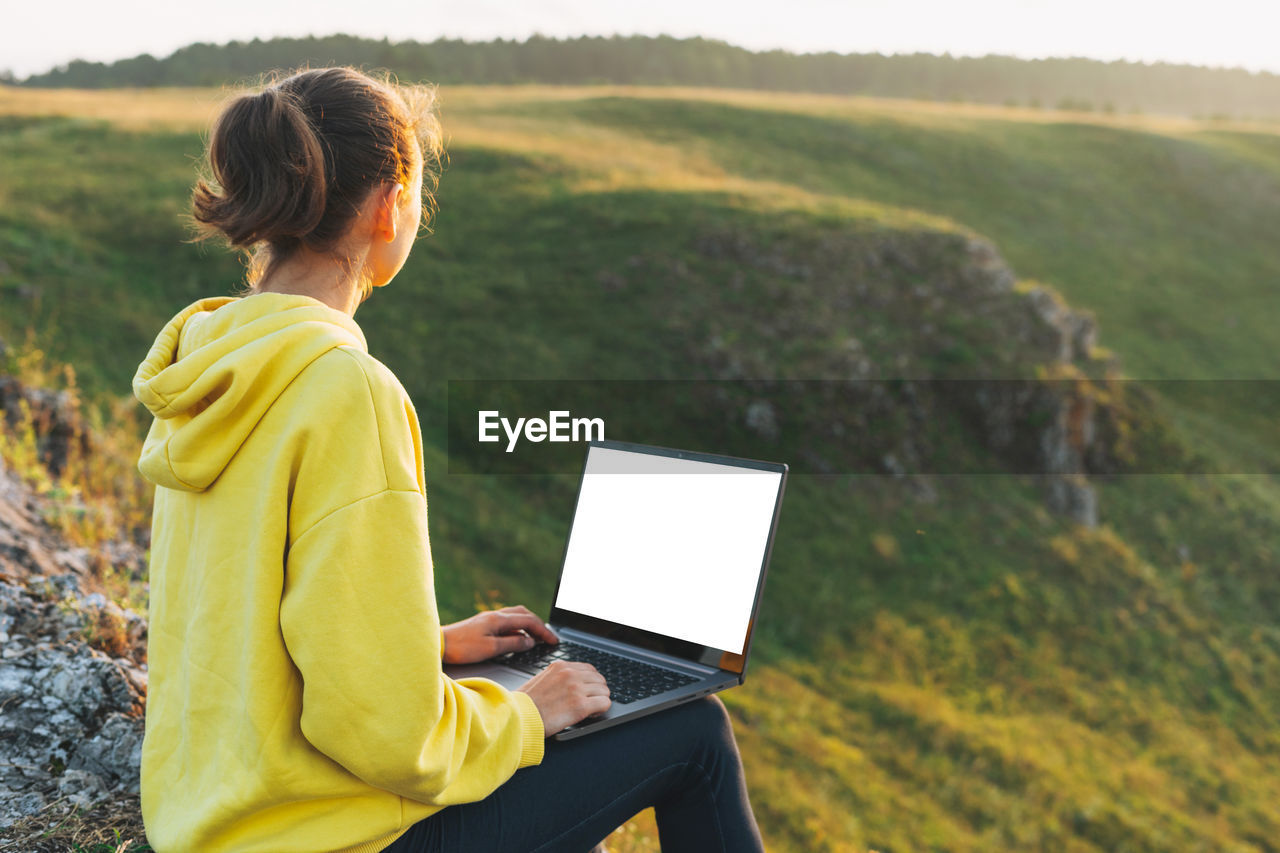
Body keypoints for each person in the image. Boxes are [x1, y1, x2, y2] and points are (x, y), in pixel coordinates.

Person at [132, 66, 765, 853]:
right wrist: (527, 712)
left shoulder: (214, 362)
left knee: (495, 693)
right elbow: (386, 735)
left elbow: (237, 610)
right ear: (389, 206)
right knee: (695, 733)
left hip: (209, 816)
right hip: (318, 836)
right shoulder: (344, 387)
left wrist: (423, 646)